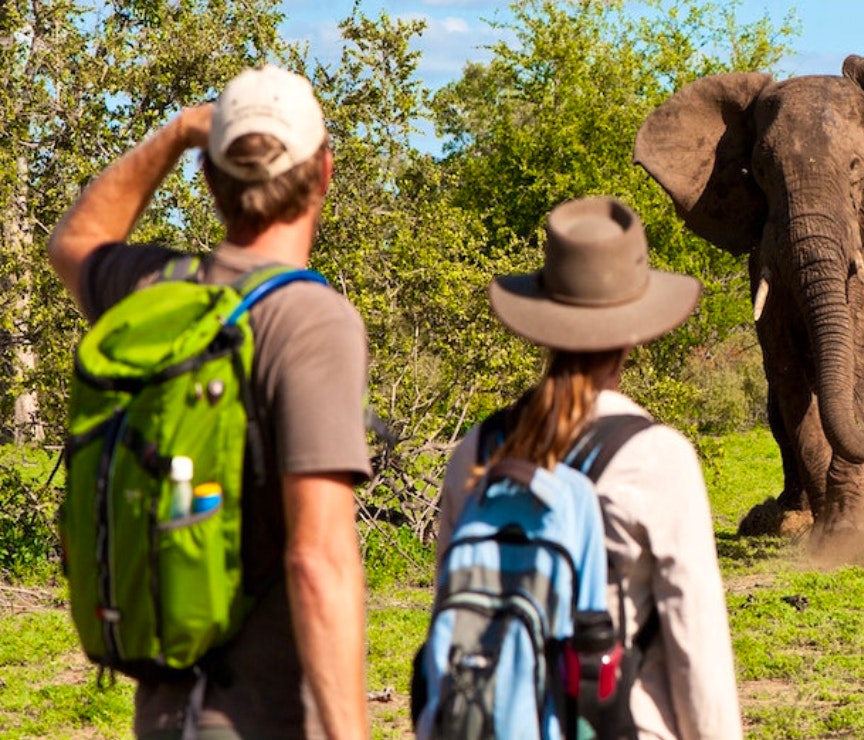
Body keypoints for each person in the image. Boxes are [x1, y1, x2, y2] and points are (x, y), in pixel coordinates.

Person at [47, 65, 372, 739]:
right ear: (323, 173)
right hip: (265, 719)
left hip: (166, 713)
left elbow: (73, 242)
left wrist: (171, 137)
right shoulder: (308, 319)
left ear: (208, 177)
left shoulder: (153, 291)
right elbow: (318, 558)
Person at [434, 196, 744, 739]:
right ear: (634, 329)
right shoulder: (657, 459)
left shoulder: (478, 449)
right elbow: (697, 653)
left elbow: (450, 617)